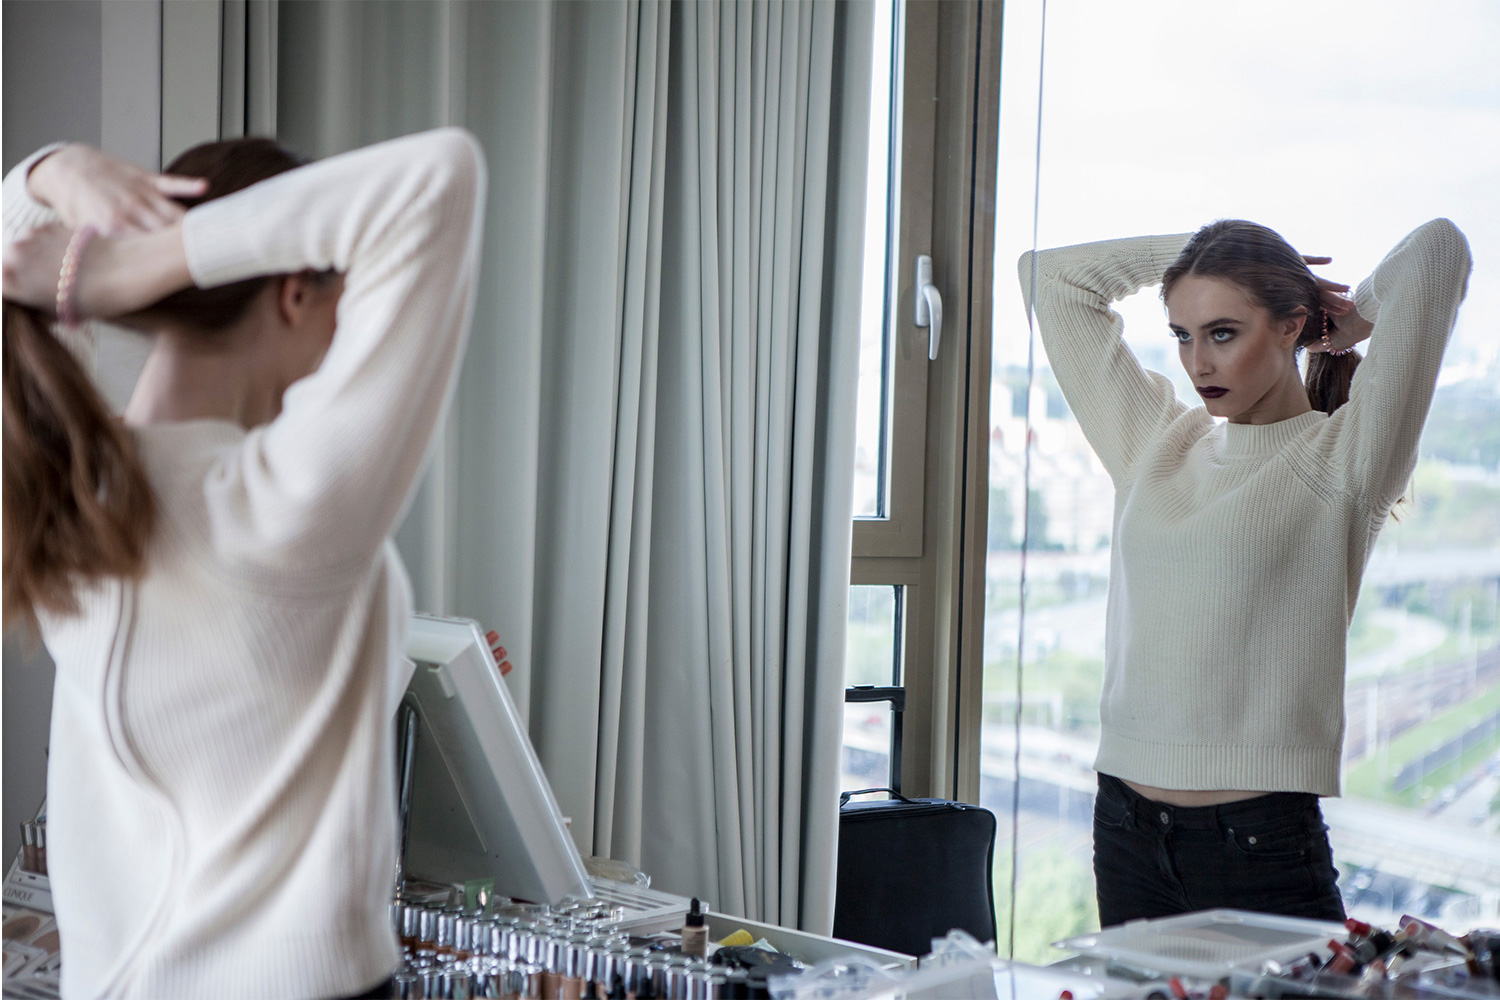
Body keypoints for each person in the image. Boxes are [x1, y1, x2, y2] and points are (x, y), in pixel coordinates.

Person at [2, 127, 485, 998]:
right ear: (296, 291)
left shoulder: (66, 487)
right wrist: (132, 264)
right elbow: (440, 178)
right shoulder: (280, 509)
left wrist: (53, 172)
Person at [1017, 217, 1471, 926]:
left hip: (1258, 843)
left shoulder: (1345, 461)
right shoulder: (1157, 444)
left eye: (1223, 333)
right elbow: (1052, 280)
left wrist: (1346, 323)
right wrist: (1196, 255)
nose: (1198, 363)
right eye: (1183, 335)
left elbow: (1437, 250)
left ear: (1291, 327)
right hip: (1125, 829)